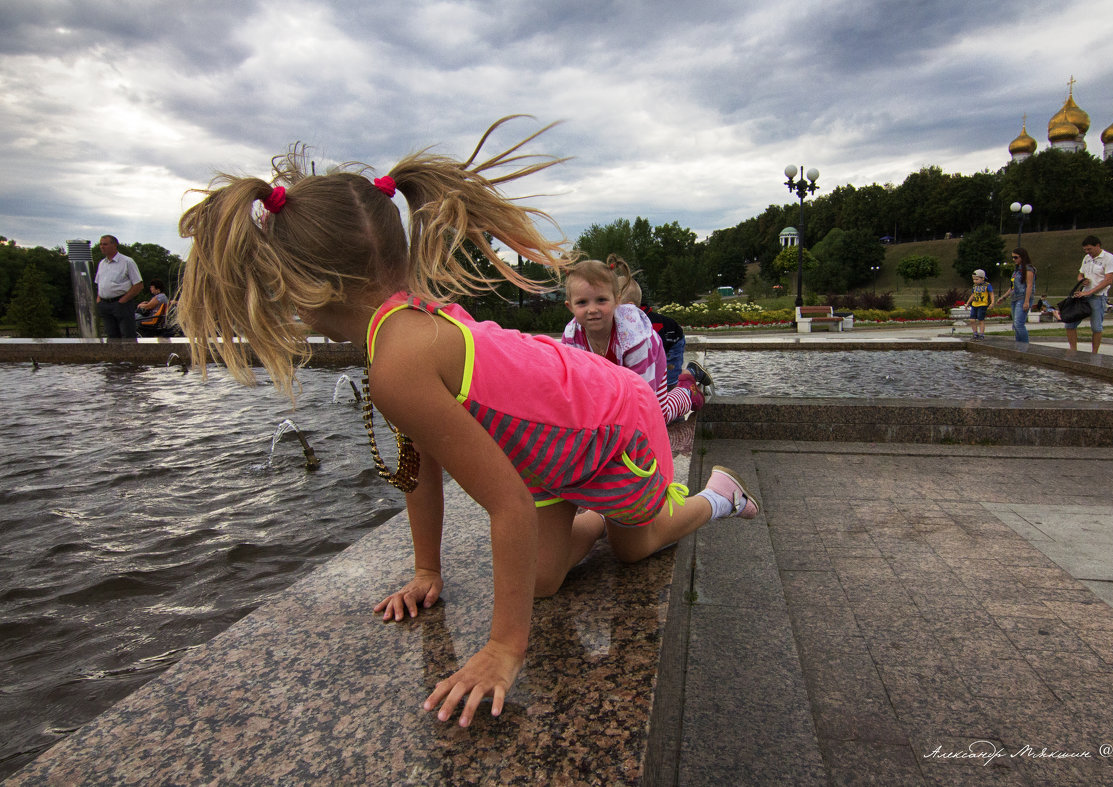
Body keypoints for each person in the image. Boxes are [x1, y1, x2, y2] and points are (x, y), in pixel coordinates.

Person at [176, 119, 760, 730]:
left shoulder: (399, 357)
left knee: (636, 546)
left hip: (616, 423)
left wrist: (504, 650)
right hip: (548, 449)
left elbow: (505, 502)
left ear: (305, 286)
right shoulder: (402, 327)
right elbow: (421, 461)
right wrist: (427, 570)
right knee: (538, 583)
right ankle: (592, 509)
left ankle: (718, 496)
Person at [561, 255, 704, 423]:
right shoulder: (571, 337)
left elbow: (643, 396)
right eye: (582, 302)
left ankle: (687, 392)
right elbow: (577, 384)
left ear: (616, 300)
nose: (592, 309)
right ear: (570, 306)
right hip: (614, 374)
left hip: (649, 366)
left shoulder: (635, 339)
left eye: (601, 300)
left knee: (657, 416)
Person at [1065, 234, 1113, 353]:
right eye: (1085, 250)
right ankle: (1073, 350)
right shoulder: (1086, 258)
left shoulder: (1108, 258)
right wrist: (1082, 281)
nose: (1088, 252)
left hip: (1098, 297)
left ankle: (1094, 353)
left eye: (1090, 249)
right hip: (1083, 296)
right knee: (1070, 323)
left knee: (1096, 326)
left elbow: (1108, 280)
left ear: (1098, 246)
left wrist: (1090, 292)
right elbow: (1080, 274)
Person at [94, 234, 143, 339]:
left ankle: (130, 355)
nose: (102, 247)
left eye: (105, 244)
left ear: (114, 245)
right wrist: (99, 300)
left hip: (121, 304)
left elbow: (138, 284)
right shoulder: (102, 263)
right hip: (105, 304)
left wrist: (122, 301)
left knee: (127, 335)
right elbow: (99, 283)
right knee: (111, 336)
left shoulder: (127, 262)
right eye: (101, 244)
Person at [996, 249, 1036, 342]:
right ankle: (1019, 346)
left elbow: (1029, 286)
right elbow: (1013, 287)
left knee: (1019, 324)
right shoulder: (1017, 270)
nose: (1013, 259)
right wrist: (1004, 297)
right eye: (1012, 257)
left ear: (1022, 257)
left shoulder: (1029, 269)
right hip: (1014, 298)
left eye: (1015, 257)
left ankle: (1025, 346)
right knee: (1015, 325)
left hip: (1023, 298)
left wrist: (1026, 301)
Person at [966, 269, 994, 340]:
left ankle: (981, 334)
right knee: (972, 320)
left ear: (982, 278)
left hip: (982, 304)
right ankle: (975, 333)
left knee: (980, 319)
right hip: (974, 304)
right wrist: (968, 303)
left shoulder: (987, 285)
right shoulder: (974, 286)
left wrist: (992, 302)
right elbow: (973, 295)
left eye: (976, 279)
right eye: (974, 279)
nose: (975, 281)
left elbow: (991, 294)